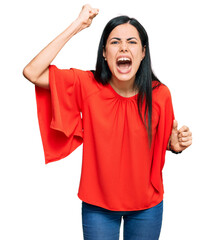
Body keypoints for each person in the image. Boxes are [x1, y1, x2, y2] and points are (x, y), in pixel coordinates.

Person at [23, 4, 192, 240]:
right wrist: (77, 26)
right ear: (104, 52)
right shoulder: (86, 85)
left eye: (132, 42)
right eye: (115, 42)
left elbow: (157, 143)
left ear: (143, 52)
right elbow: (32, 72)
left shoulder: (160, 94)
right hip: (97, 206)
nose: (123, 47)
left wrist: (172, 145)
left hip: (147, 206)